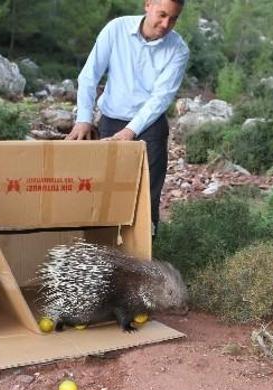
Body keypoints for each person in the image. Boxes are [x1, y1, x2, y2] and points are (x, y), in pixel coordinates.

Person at [66, 0, 189, 236]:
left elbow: (161, 98)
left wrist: (130, 131)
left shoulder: (179, 49)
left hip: (150, 126)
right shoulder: (116, 29)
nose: (166, 24)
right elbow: (89, 76)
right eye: (162, 15)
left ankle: (145, 250)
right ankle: (101, 248)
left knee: (146, 196)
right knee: (102, 190)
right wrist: (83, 118)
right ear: (148, 4)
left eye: (173, 19)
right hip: (111, 119)